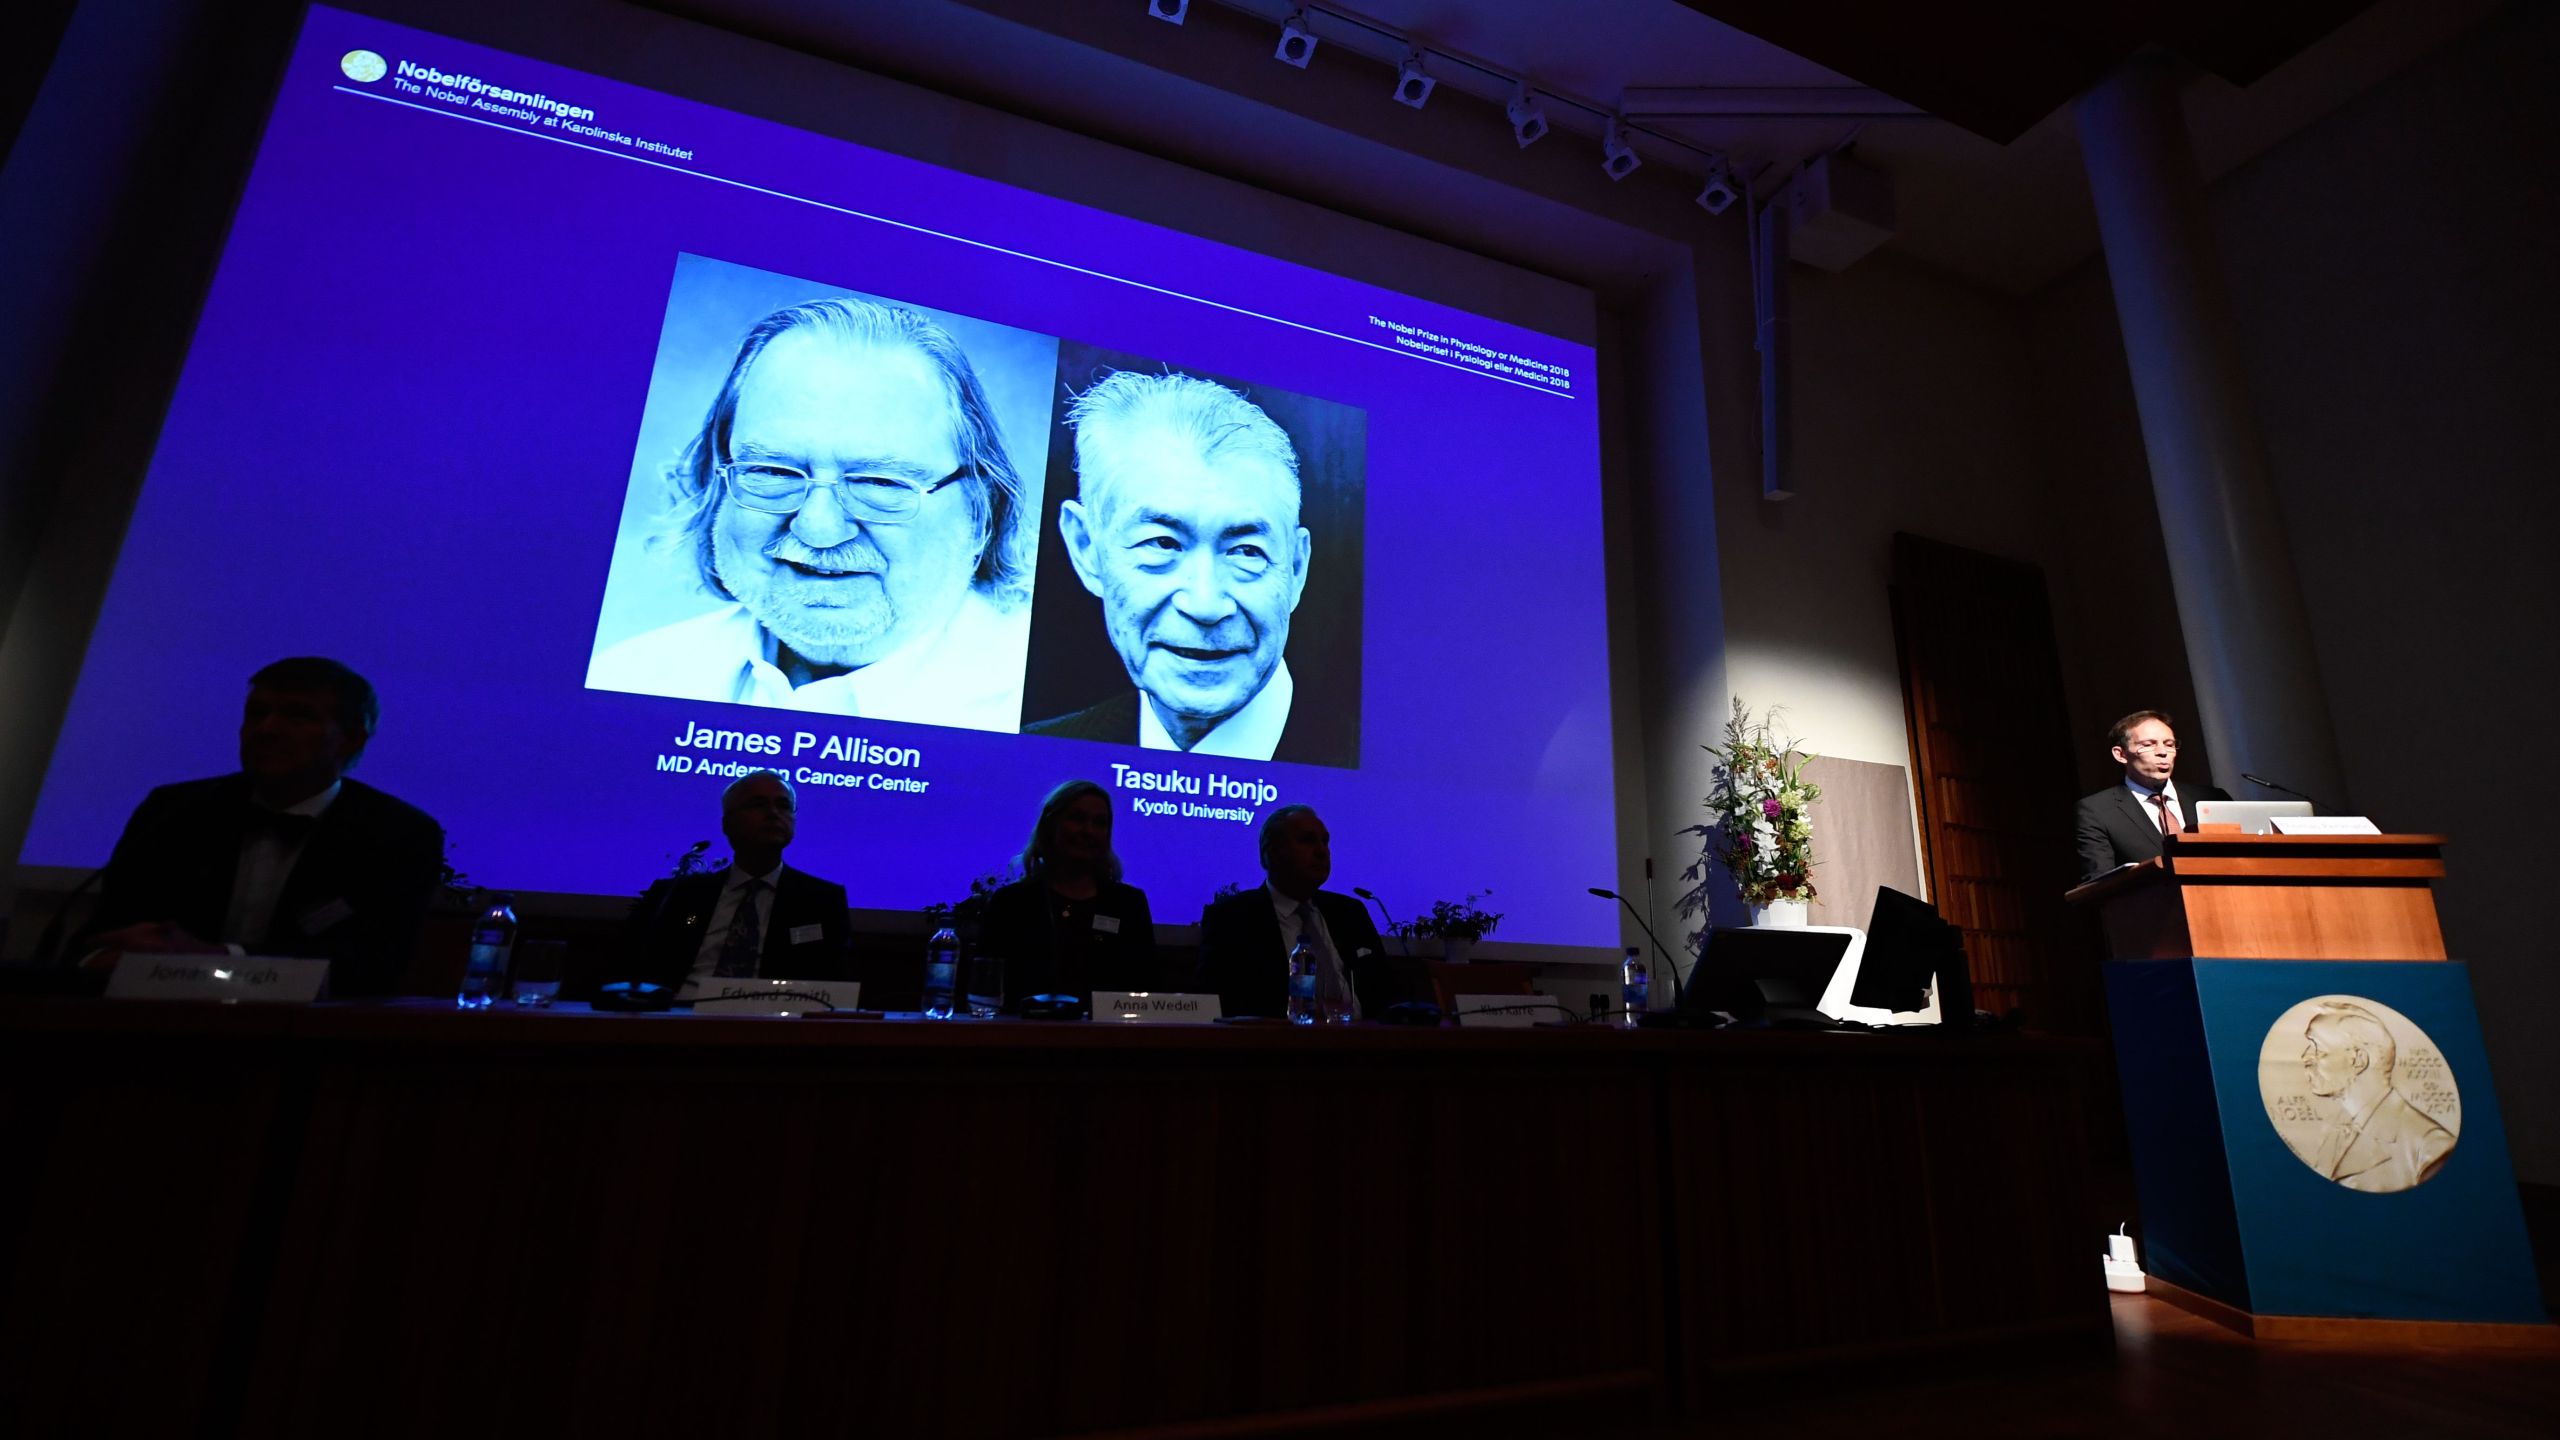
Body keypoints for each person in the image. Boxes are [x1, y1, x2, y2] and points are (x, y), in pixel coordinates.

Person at [588, 296, 1036, 730]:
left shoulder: (1038, 704)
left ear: (981, 513)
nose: (818, 528)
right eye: (772, 471)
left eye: (879, 483)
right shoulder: (624, 676)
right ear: (715, 481)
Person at [1028, 371, 1348, 764]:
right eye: (1162, 544)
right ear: (1086, 548)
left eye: (1246, 551)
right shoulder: (1036, 752)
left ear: (1296, 568)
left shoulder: (1391, 770)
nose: (1205, 604)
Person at [81, 657, 444, 997]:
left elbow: (371, 966)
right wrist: (98, 958)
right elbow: (105, 931)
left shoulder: (398, 833)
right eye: (256, 713)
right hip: (152, 1022)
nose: (267, 729)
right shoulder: (176, 810)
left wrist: (221, 958)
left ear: (351, 739)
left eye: (297, 716)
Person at [620, 769, 853, 1000]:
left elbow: (834, 984)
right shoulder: (677, 895)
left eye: (783, 806)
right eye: (758, 804)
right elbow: (631, 970)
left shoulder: (822, 900)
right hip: (677, 1018)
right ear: (727, 823)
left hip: (774, 1024)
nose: (773, 813)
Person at [1197, 804, 1415, 1021]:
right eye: (1307, 840)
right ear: (1271, 852)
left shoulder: (1350, 913)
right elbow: (1220, 1004)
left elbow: (1386, 995)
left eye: (1325, 841)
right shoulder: (1232, 918)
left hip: (1361, 1045)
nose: (1322, 851)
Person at [976, 779, 1159, 1013]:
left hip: (1110, 1041)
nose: (1088, 831)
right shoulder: (1011, 903)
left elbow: (1148, 990)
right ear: (1050, 824)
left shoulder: (1128, 904)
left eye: (1100, 823)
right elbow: (986, 992)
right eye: (1077, 818)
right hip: (1023, 1038)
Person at [2299, 1002, 2456, 1193]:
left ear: (2358, 1060)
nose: (2305, 1057)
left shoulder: (2429, 1147)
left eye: (2318, 1048)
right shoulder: (2336, 1131)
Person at [2073, 709, 2232, 881]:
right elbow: (2099, 882)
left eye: (2169, 744)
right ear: (2121, 754)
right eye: (2148, 745)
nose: (2162, 752)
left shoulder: (2213, 798)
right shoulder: (2097, 811)